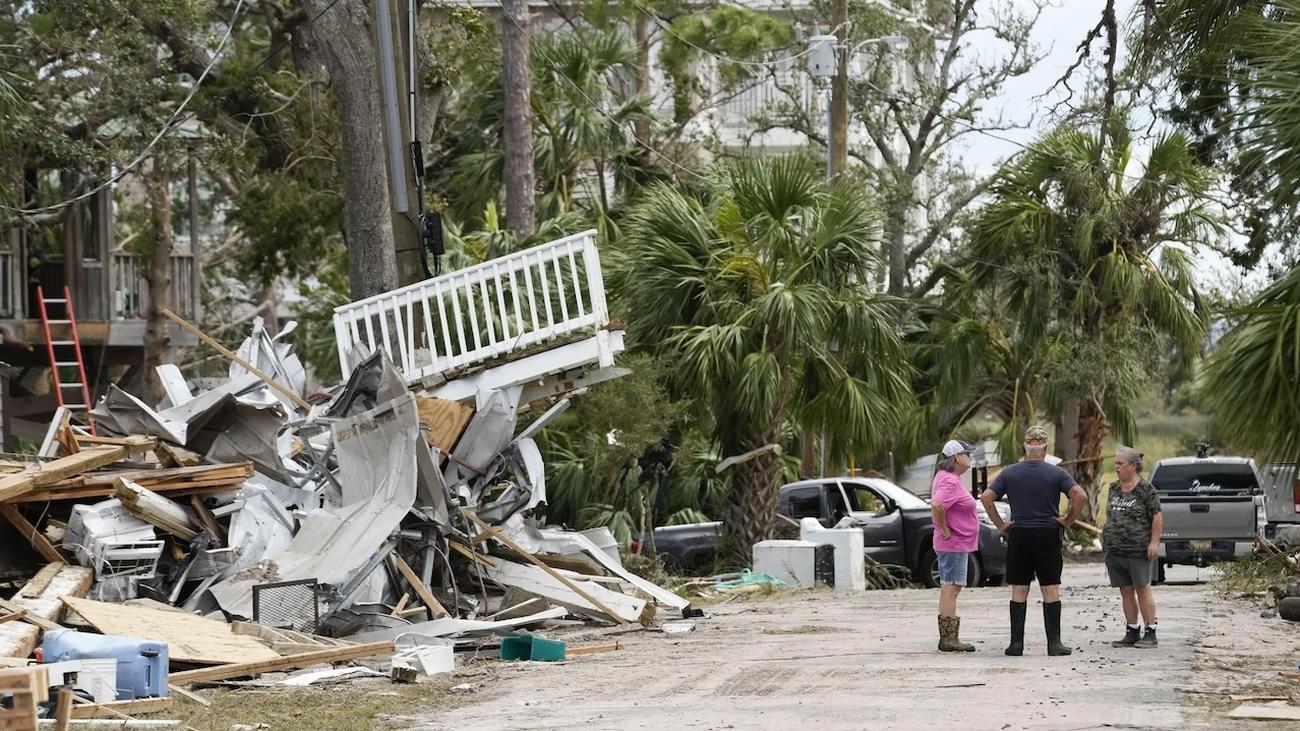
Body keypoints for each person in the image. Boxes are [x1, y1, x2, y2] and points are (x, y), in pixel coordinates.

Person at [980, 425, 1088, 656]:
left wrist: (1000, 525)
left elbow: (987, 497)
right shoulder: (1056, 473)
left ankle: (1016, 644)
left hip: (1019, 534)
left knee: (1019, 588)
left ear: (1025, 446)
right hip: (1047, 533)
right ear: (1045, 447)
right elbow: (1080, 495)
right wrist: (1068, 520)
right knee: (1050, 588)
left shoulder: (1010, 472)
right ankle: (1054, 644)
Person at [1103, 446, 1162, 649]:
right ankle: (1132, 630)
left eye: (1120, 463)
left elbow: (1157, 516)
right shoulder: (1114, 488)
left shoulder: (1146, 490)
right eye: (1116, 463)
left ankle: (1150, 631)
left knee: (1142, 589)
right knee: (1125, 591)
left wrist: (1154, 543)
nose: (1116, 467)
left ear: (1133, 465)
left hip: (1138, 550)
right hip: (1115, 550)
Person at [931, 439, 979, 652]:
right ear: (957, 457)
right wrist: (945, 528)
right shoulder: (950, 481)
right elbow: (937, 504)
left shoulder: (947, 478)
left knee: (947, 587)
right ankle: (950, 639)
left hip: (952, 543)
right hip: (954, 543)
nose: (970, 457)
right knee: (952, 588)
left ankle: (947, 637)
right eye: (967, 454)